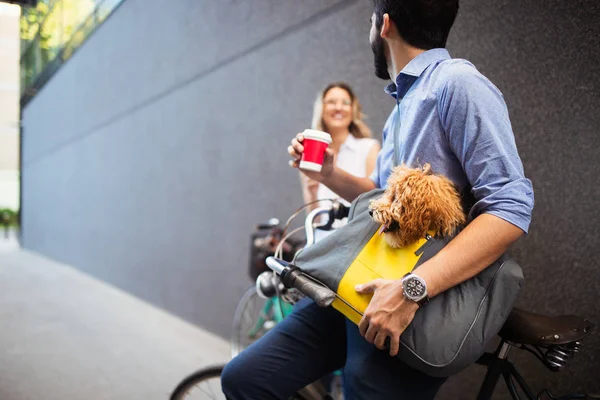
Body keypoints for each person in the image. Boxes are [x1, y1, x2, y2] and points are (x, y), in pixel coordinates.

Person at [222, 0, 534, 398]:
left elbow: (511, 208)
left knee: (362, 387)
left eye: (370, 21)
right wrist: (328, 173)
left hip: (417, 303)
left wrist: (412, 289)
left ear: (383, 25)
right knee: (246, 378)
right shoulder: (403, 107)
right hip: (362, 283)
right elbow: (381, 199)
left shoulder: (458, 84)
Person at [300, 82, 380, 232]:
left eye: (345, 103)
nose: (338, 107)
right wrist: (311, 192)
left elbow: (376, 201)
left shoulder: (368, 148)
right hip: (324, 241)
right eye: (331, 102)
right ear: (321, 109)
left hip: (358, 240)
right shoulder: (311, 155)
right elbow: (315, 221)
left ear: (353, 110)